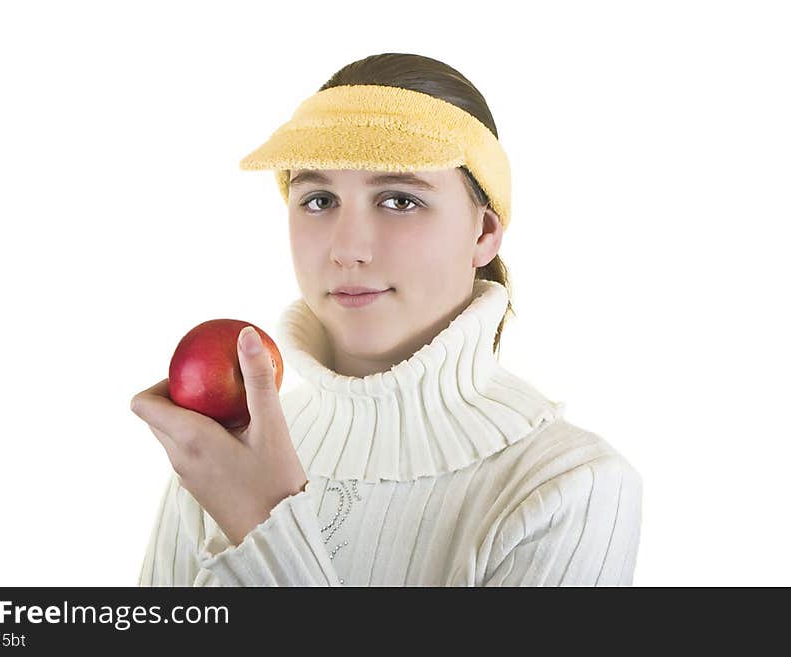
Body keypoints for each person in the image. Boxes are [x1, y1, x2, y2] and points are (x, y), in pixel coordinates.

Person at [131, 53, 643, 586]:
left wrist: (265, 523)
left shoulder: (570, 486)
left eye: (399, 200)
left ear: (484, 232)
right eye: (319, 198)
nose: (348, 249)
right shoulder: (223, 454)